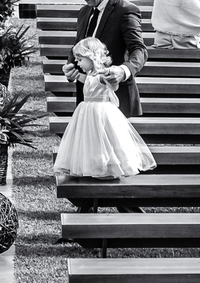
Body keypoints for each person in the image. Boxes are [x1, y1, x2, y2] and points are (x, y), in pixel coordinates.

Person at [54, 37, 156, 180]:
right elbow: (85, 80)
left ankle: (106, 166)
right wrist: (71, 72)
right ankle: (92, 165)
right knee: (89, 139)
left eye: (79, 59)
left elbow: (113, 86)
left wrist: (112, 79)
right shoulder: (90, 75)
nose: (77, 62)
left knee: (102, 139)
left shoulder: (102, 75)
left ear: (91, 57)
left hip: (99, 111)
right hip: (86, 111)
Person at [62, 0, 148, 119]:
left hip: (116, 100)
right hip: (87, 101)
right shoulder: (84, 12)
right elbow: (77, 47)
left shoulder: (126, 10)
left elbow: (139, 49)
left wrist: (124, 71)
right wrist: (70, 67)